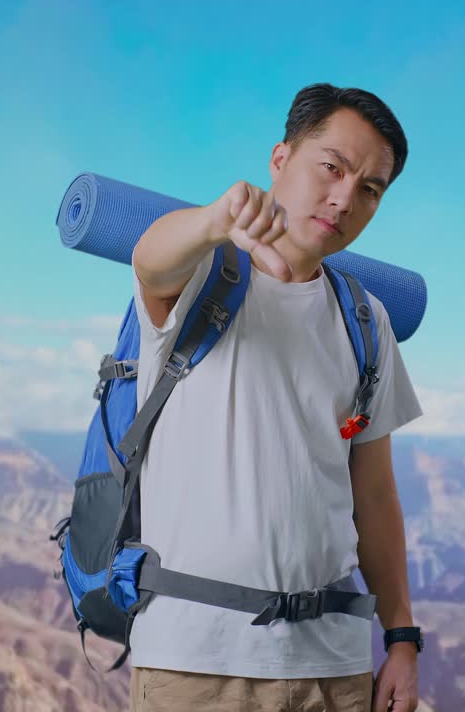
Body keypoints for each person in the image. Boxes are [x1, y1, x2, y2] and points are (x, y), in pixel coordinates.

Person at [127, 82, 424, 712]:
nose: (346, 197)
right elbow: (150, 261)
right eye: (332, 168)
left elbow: (373, 495)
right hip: (198, 667)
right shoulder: (202, 273)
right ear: (281, 160)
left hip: (335, 669)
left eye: (370, 188)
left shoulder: (366, 321)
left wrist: (400, 637)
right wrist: (214, 221)